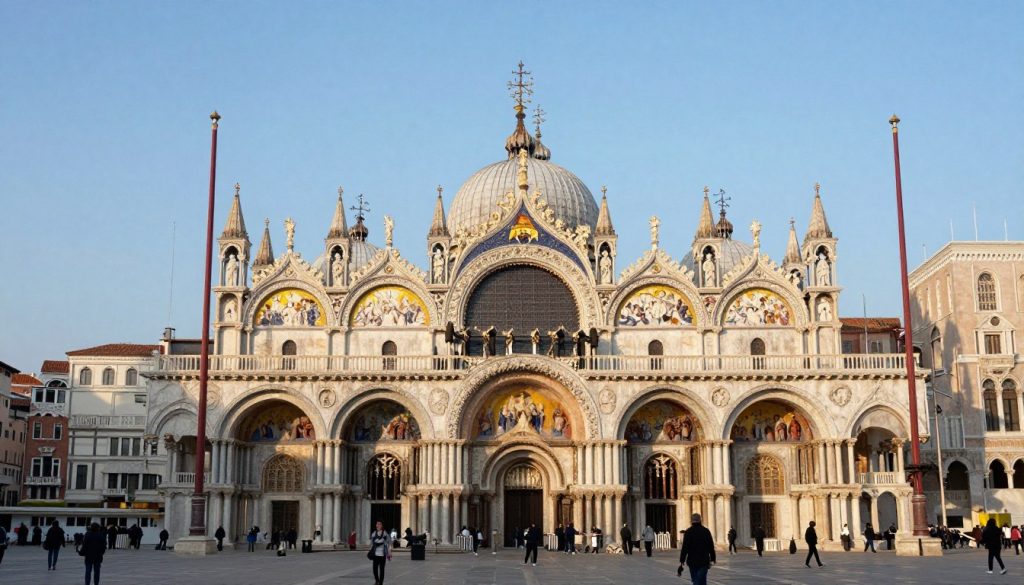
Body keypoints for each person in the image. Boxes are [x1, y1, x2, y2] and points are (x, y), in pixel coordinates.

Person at [677, 513, 716, 585]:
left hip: (692, 561)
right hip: (704, 560)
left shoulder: (688, 532)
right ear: (700, 520)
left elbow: (685, 547)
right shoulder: (706, 531)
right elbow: (711, 546)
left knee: (696, 580)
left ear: (691, 521)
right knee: (702, 580)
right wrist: (713, 558)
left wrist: (682, 560)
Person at [369, 520, 393, 585]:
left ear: (382, 526)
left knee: (382, 570)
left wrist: (389, 550)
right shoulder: (374, 533)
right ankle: (377, 580)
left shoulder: (385, 533)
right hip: (375, 554)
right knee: (374, 569)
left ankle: (381, 583)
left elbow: (389, 542)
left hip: (382, 555)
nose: (377, 525)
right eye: (377, 524)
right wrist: (371, 549)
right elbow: (371, 543)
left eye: (379, 524)